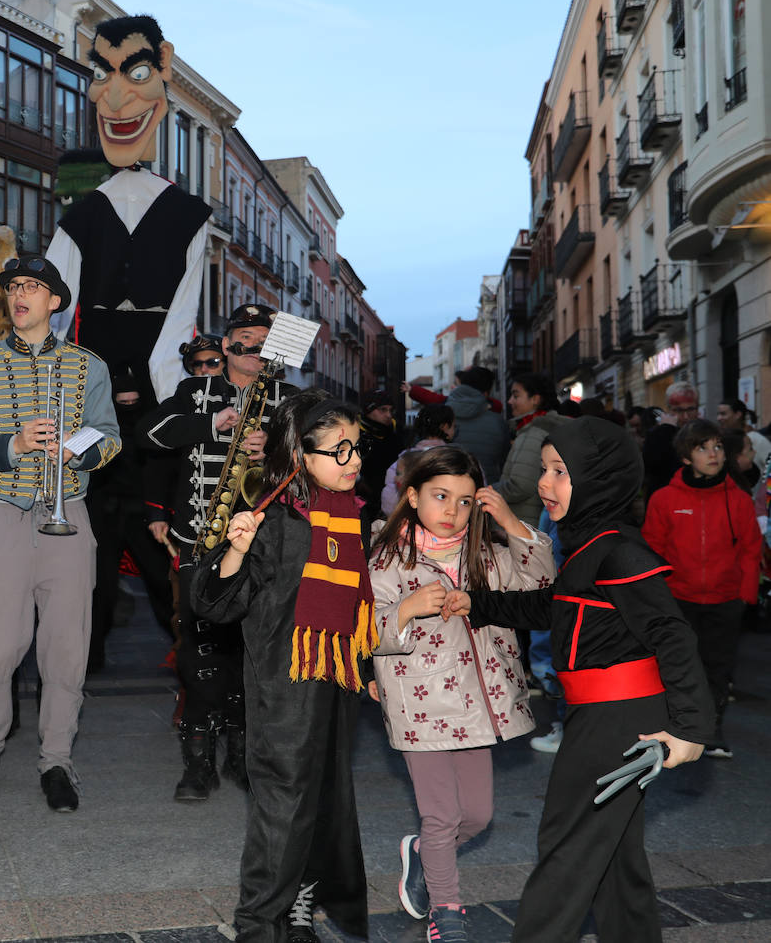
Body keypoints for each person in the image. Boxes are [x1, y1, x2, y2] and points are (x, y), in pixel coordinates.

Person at [442, 417, 714, 942]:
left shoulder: (619, 551)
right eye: (544, 469)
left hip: (619, 723)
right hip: (600, 716)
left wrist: (691, 730)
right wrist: (479, 603)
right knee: (613, 855)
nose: (545, 484)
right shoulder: (590, 545)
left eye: (560, 471)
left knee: (568, 849)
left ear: (598, 476)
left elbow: (673, 635)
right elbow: (556, 606)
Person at [190, 389, 374, 942]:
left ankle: (301, 903)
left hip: (336, 683)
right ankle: (257, 927)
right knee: (283, 805)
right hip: (283, 687)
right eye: (339, 451)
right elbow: (213, 603)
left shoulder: (350, 516)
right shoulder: (273, 521)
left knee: (323, 800)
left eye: (357, 448)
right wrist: (235, 551)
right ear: (301, 456)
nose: (355, 461)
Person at [0, 255, 120, 812]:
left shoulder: (89, 366)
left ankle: (57, 760)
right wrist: (14, 445)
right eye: (14, 286)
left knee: (67, 643)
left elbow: (111, 436)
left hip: (69, 513)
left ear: (55, 301)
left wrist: (79, 447)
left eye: (33, 287)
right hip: (1, 512)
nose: (20, 294)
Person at [368, 446, 555, 940]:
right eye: (440, 497)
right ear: (411, 497)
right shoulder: (386, 560)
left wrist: (513, 523)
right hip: (419, 706)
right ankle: (447, 910)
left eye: (467, 501)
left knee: (476, 815)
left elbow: (541, 585)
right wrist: (406, 609)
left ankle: (421, 855)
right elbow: (363, 629)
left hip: (479, 706)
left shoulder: (488, 554)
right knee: (442, 816)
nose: (452, 512)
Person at [137, 303, 298, 802]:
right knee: (200, 651)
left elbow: (322, 454)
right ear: (229, 347)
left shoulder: (289, 398)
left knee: (258, 650)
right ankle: (199, 762)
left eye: (266, 340)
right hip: (200, 541)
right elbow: (148, 433)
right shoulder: (194, 391)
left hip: (266, 545)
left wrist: (275, 446)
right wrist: (211, 426)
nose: (257, 349)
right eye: (247, 339)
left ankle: (245, 757)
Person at [47, 14, 211, 403]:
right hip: (108, 360)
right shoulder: (87, 213)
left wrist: (48, 377)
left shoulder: (185, 214)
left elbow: (53, 303)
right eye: (103, 75)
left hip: (112, 358)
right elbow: (55, 298)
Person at [641, 419, 759, 758]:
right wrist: (658, 595)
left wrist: (745, 596)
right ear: (686, 457)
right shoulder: (665, 499)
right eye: (703, 448)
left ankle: (711, 731)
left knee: (717, 670)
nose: (713, 454)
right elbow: (653, 549)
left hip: (726, 599)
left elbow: (751, 548)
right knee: (678, 667)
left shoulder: (739, 500)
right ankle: (677, 727)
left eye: (718, 447)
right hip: (679, 598)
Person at [85, 365, 175, 670]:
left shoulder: (149, 425)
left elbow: (159, 470)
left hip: (143, 516)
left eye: (132, 402)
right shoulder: (97, 427)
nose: (127, 408)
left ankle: (184, 650)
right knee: (99, 589)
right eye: (121, 403)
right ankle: (90, 655)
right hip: (105, 515)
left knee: (162, 584)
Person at [495, 372, 566, 528]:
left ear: (535, 399)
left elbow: (520, 485)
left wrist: (489, 492)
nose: (510, 401)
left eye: (516, 395)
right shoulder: (537, 429)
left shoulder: (533, 433)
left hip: (523, 522)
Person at [380, 404, 454, 518]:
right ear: (445, 427)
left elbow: (388, 504)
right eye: (453, 426)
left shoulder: (403, 459)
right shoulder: (457, 459)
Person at [442, 367, 509, 484]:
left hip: (445, 490)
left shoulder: (439, 416)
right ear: (486, 392)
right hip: (487, 492)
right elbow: (506, 464)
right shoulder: (498, 422)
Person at [642, 380, 700, 499]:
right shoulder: (657, 435)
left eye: (690, 409)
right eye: (678, 410)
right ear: (668, 409)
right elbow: (653, 466)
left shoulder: (704, 433)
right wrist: (666, 430)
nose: (685, 416)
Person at [357, 389, 400, 518]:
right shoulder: (354, 433)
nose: (388, 415)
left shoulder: (397, 434)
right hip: (362, 502)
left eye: (390, 410)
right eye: (383, 410)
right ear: (368, 410)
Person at [717, 398, 771, 477]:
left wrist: (766, 488)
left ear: (738, 415)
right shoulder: (719, 440)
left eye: (723, 414)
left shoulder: (756, 439)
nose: (719, 418)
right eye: (718, 414)